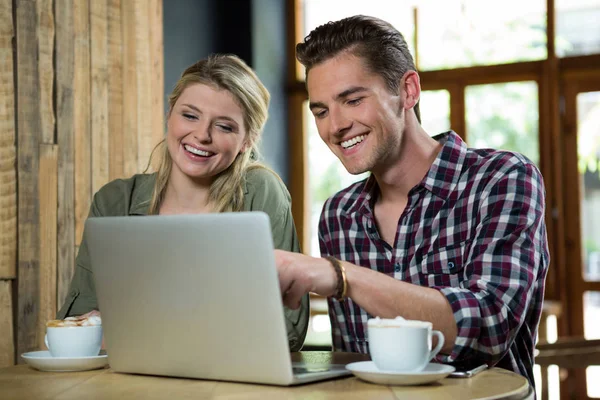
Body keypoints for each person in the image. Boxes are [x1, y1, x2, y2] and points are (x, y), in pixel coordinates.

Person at [274, 15, 549, 384]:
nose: (334, 126)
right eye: (321, 111)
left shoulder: (501, 179)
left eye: (352, 100)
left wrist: (341, 277)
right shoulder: (338, 215)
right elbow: (356, 365)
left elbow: (490, 324)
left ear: (408, 91)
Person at [57, 54, 309, 352]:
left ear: (247, 142)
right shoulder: (114, 202)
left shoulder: (261, 192)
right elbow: (78, 325)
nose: (201, 135)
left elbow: (286, 328)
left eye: (225, 127)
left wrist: (134, 329)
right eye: (190, 115)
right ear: (169, 115)